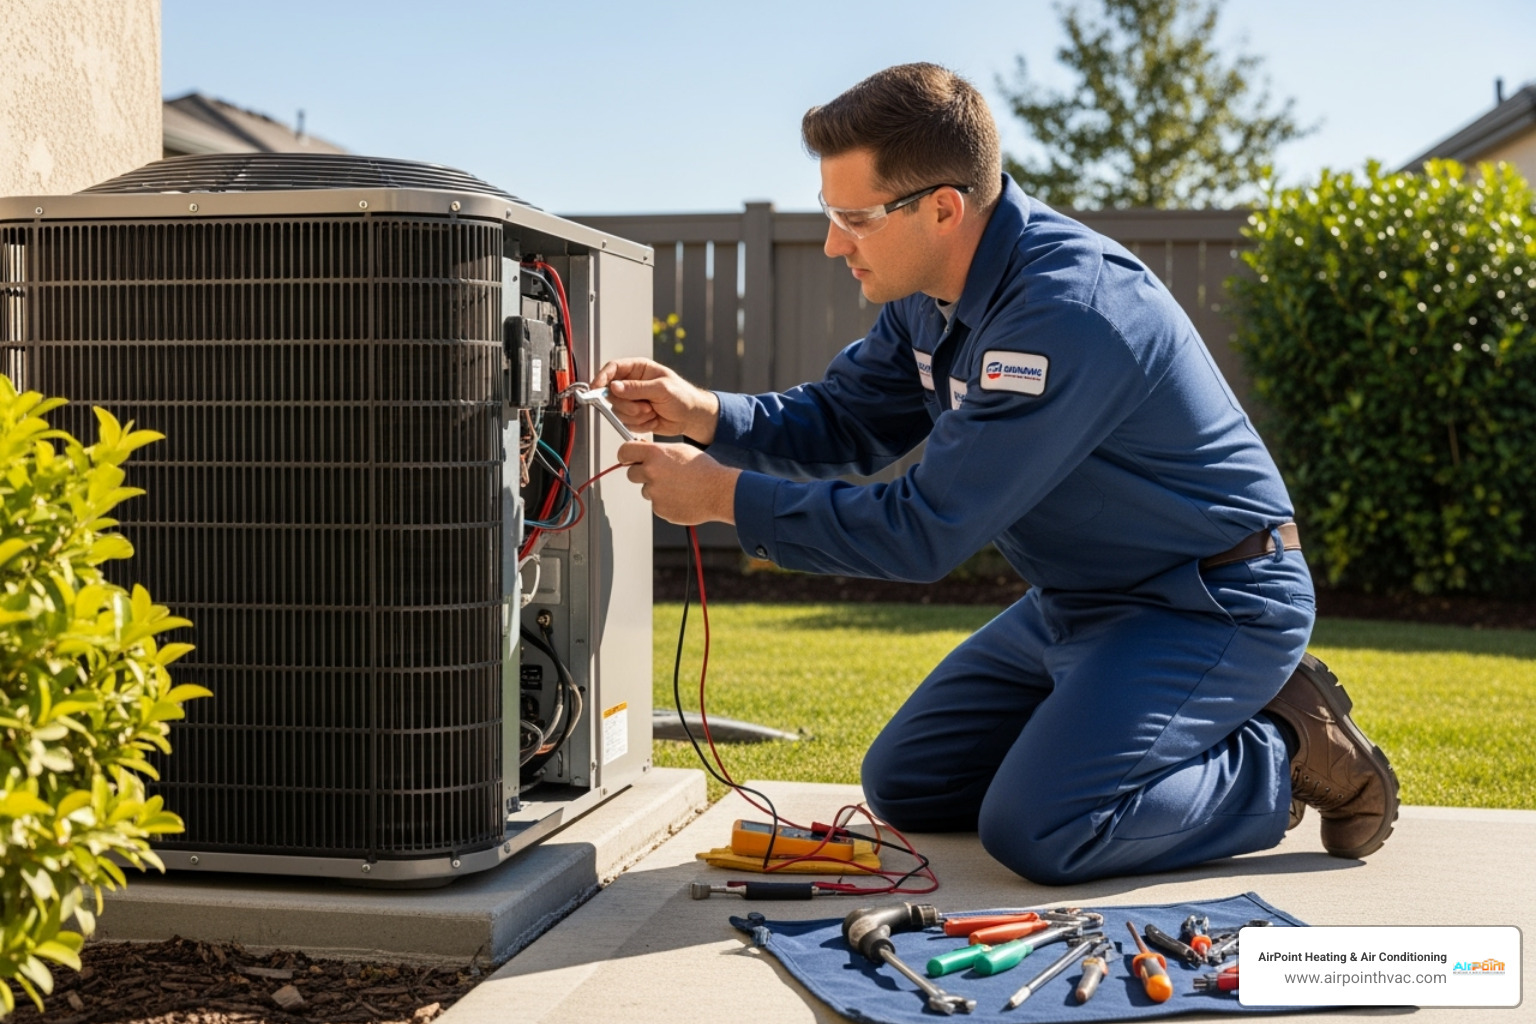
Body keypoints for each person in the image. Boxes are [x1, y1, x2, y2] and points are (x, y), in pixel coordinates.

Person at [592, 63, 1399, 884]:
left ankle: (1287, 748)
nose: (835, 242)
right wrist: (706, 414)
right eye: (828, 215)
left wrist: (724, 496)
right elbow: (848, 419)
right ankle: (1107, 736)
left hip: (1206, 600)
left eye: (854, 218)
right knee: (907, 782)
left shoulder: (1066, 313)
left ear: (942, 208)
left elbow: (923, 531)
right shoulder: (928, 294)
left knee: (1044, 830)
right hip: (1078, 601)